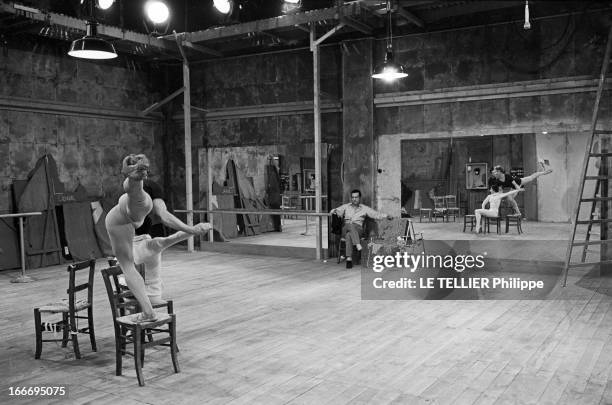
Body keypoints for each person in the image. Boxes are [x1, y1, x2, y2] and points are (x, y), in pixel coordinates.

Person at [105, 154, 211, 322]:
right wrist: (192, 230)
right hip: (132, 214)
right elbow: (165, 219)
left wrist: (191, 229)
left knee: (127, 264)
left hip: (122, 218)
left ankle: (133, 181)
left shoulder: (135, 239)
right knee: (138, 202)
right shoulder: (152, 243)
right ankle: (135, 182)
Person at [330, 189, 393, 269]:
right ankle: (358, 244)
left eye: (356, 197)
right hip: (345, 228)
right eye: (352, 197)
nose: (354, 199)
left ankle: (349, 258)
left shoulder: (364, 208)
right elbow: (336, 211)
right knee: (349, 224)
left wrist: (386, 215)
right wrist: (334, 211)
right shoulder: (346, 206)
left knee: (349, 235)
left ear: (359, 198)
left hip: (358, 229)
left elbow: (376, 214)